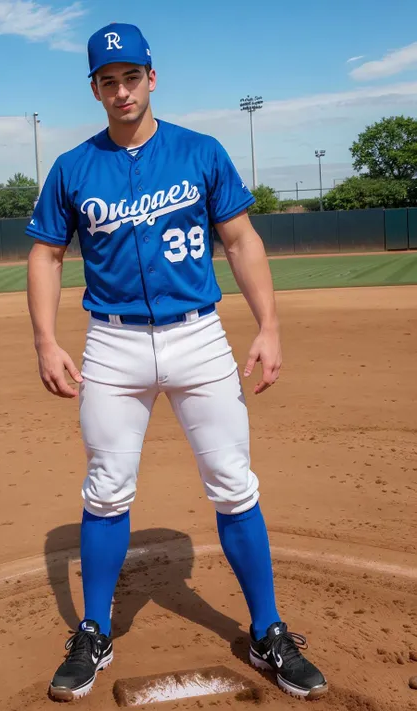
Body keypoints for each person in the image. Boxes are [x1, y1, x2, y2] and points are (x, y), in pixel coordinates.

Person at [26, 22, 327, 703]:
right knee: (105, 488)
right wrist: (46, 339)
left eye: (131, 76)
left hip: (199, 336)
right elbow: (45, 254)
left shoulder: (201, 151)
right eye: (108, 79)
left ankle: (267, 629)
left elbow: (242, 239)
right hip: (113, 343)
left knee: (232, 481)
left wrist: (269, 326)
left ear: (152, 78)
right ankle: (95, 630)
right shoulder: (74, 167)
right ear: (96, 88)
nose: (122, 88)